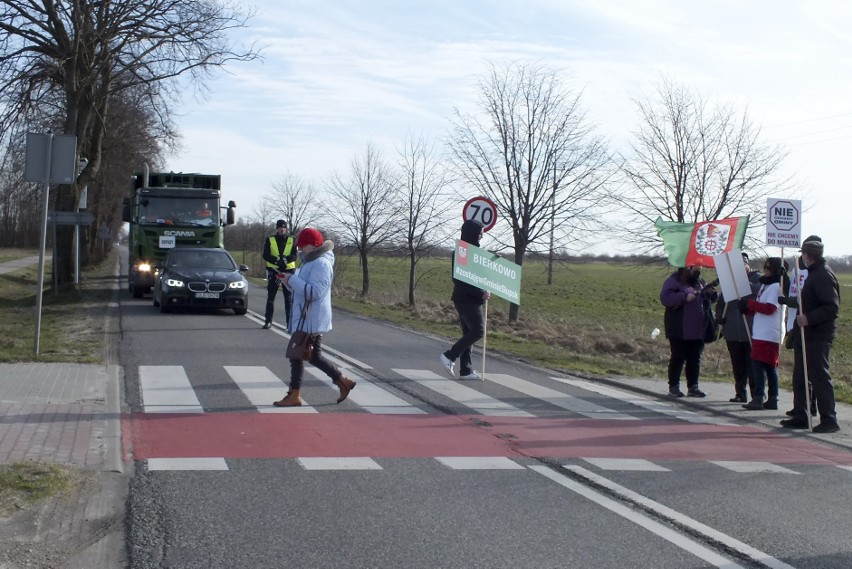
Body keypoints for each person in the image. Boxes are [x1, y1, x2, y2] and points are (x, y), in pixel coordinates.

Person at [272, 228, 356, 407]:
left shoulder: (321, 264)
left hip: (311, 319)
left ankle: (297, 394)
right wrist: (288, 281)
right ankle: (341, 381)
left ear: (313, 245)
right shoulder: (310, 261)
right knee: (306, 356)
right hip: (307, 318)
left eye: (303, 246)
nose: (300, 249)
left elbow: (314, 293)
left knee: (301, 355)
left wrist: (293, 280)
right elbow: (303, 290)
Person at [780, 238, 841, 433]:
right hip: (805, 334)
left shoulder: (823, 275)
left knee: (819, 376)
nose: (801, 257)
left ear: (808, 255)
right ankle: (801, 414)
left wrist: (808, 318)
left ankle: (829, 418)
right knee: (801, 375)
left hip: (818, 334)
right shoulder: (814, 274)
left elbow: (832, 307)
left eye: (803, 254)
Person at [439, 219, 492, 380]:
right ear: (473, 233)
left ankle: (466, 370)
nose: (482, 236)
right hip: (466, 299)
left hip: (471, 299)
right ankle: (449, 356)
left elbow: (476, 276)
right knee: (478, 331)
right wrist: (479, 293)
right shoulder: (462, 251)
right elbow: (460, 279)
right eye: (480, 233)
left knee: (469, 332)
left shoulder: (473, 251)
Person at [778, 235, 821, 418]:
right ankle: (800, 405)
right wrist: (784, 279)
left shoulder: (816, 273)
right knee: (799, 371)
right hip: (796, 322)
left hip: (810, 326)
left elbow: (805, 300)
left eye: (804, 253)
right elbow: (792, 289)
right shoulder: (797, 267)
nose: (802, 256)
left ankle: (810, 405)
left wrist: (789, 301)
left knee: (809, 370)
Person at [738, 257, 789, 410]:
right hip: (761, 331)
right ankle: (772, 398)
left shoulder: (776, 287)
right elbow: (760, 308)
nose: (765, 270)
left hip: (770, 332)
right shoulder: (765, 286)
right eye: (764, 267)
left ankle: (760, 397)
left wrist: (750, 304)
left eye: (769, 268)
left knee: (761, 365)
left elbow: (769, 308)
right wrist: (747, 309)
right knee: (766, 366)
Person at [660, 265, 717, 397]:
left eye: (699, 268)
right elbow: (665, 298)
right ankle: (673, 386)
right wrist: (684, 297)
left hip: (698, 329)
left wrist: (712, 294)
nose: (699, 269)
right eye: (695, 267)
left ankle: (693, 387)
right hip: (679, 328)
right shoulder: (674, 280)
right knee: (678, 358)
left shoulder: (700, 282)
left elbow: (708, 301)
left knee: (695, 359)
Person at [716, 252, 761, 403]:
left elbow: (758, 291)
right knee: (738, 364)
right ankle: (740, 393)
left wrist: (741, 282)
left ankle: (757, 395)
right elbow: (722, 301)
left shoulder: (757, 278)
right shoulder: (729, 280)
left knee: (753, 364)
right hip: (733, 330)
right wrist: (720, 316)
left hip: (750, 329)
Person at [261, 220, 297, 330]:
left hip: (287, 273)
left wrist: (285, 260)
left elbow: (295, 255)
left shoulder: (292, 239)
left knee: (288, 299)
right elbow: (265, 255)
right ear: (277, 228)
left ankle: (289, 323)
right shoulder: (270, 239)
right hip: (275, 272)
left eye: (284, 227)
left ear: (286, 228)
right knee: (271, 297)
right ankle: (268, 321)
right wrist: (277, 261)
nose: (282, 229)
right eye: (280, 227)